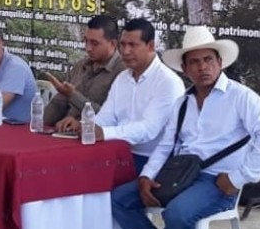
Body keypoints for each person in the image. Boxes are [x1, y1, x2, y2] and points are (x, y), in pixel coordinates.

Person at [112, 25, 260, 229]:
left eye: (208, 60)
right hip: (179, 176)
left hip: (218, 182)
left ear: (219, 63)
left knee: (177, 215)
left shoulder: (241, 97)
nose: (203, 67)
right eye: (195, 61)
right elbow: (166, 146)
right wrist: (146, 176)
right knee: (120, 199)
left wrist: (239, 178)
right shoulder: (183, 102)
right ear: (185, 68)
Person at [57, 18, 184, 172]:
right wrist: (87, 127)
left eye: (132, 45)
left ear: (150, 46)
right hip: (116, 152)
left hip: (151, 161)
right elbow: (107, 116)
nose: (125, 51)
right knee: (69, 173)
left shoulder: (168, 81)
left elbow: (148, 129)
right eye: (123, 45)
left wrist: (104, 132)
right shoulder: (123, 77)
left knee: (106, 193)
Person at [43, 14, 125, 129]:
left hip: (96, 139)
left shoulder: (124, 72)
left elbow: (112, 118)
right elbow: (58, 104)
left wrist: (82, 124)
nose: (88, 48)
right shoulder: (80, 66)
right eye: (86, 41)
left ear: (113, 44)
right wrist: (37, 122)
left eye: (95, 43)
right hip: (64, 134)